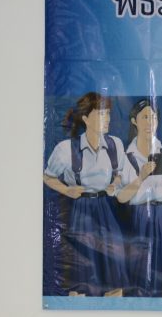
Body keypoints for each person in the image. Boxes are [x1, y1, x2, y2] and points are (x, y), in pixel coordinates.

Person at [42, 91, 128, 296]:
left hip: (108, 210)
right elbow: (47, 177)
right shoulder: (66, 149)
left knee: (113, 271)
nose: (107, 119)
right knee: (82, 275)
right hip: (80, 211)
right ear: (86, 118)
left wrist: (114, 184)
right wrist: (67, 190)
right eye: (101, 113)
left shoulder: (115, 145)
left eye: (108, 113)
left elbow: (121, 174)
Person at [116, 98, 162, 297]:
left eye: (154, 117)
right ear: (134, 121)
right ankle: (141, 301)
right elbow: (121, 197)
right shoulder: (126, 155)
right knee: (141, 262)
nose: (150, 122)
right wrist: (140, 177)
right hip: (141, 214)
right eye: (145, 117)